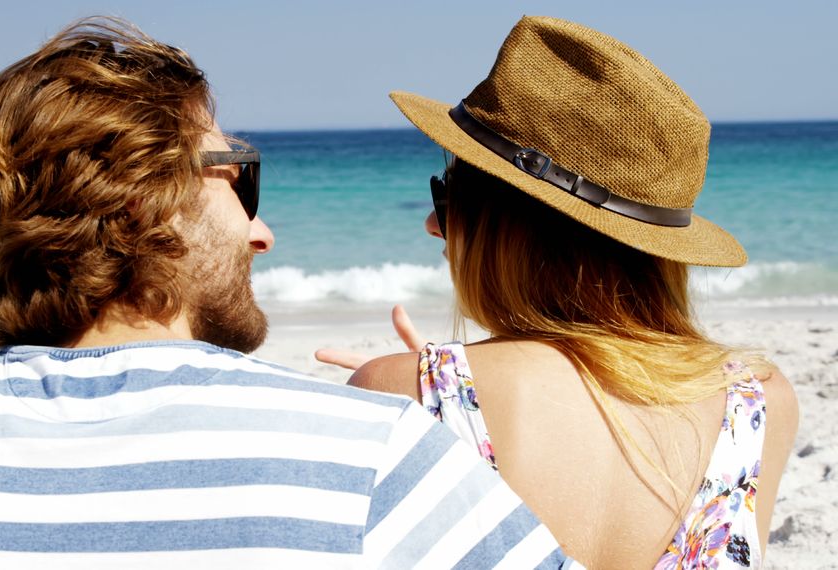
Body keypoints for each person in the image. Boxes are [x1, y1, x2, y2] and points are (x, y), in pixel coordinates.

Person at [0, 16, 577, 568]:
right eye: (239, 177)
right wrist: (463, 446)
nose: (263, 233)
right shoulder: (367, 451)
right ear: (142, 199)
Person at [321, 15, 798, 569]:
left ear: (515, 227)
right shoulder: (761, 403)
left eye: (449, 192)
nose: (432, 222)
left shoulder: (403, 392)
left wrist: (426, 395)